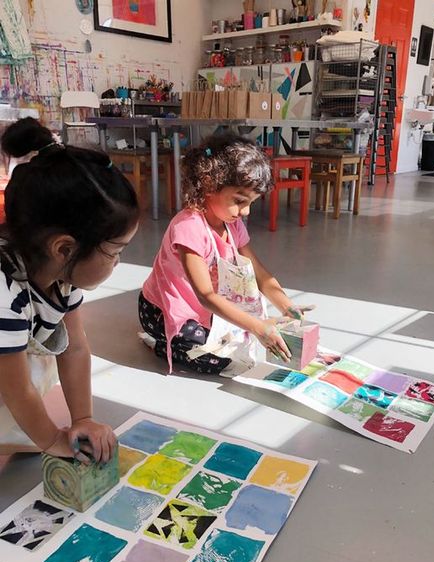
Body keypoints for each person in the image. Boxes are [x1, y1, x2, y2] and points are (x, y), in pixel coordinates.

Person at [0, 117, 139, 461]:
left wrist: (83, 419)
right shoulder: (5, 297)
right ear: (64, 248)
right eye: (115, 251)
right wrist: (52, 441)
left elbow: (75, 349)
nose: (118, 262)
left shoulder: (63, 277)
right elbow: (17, 391)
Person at [139, 134, 311, 374]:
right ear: (209, 184)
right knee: (217, 359)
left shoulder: (232, 224)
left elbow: (258, 272)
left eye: (251, 202)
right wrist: (259, 328)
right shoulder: (188, 227)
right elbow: (206, 295)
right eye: (240, 201)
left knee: (232, 339)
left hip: (199, 310)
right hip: (159, 310)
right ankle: (159, 343)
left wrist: (285, 304)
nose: (246, 211)